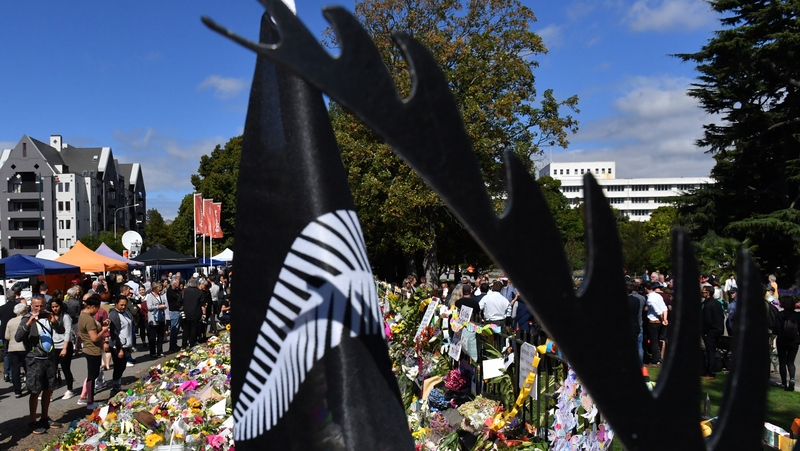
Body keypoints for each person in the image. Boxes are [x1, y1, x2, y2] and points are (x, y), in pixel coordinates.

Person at [15, 295, 64, 434]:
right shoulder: (26, 318)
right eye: (36, 306)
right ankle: (33, 421)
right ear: (31, 305)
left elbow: (61, 331)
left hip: (49, 358)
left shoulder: (47, 316)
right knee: (35, 391)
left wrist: (54, 322)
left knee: (49, 389)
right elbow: (18, 337)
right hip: (34, 359)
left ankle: (44, 418)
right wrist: (28, 323)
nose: (39, 308)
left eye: (41, 305)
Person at [77, 294, 109, 409]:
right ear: (92, 307)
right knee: (92, 375)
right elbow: (94, 338)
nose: (97, 311)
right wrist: (104, 330)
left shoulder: (84, 316)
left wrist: (102, 325)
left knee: (93, 374)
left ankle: (90, 400)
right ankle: (90, 401)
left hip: (90, 349)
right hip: (92, 350)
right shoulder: (88, 319)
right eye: (97, 309)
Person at [49, 298, 75, 400]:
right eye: (53, 307)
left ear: (60, 306)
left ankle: (70, 390)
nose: (55, 309)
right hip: (53, 346)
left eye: (56, 306)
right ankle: (49, 392)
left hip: (64, 345)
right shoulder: (50, 316)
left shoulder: (65, 316)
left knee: (65, 368)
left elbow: (68, 332)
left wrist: (64, 348)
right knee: (52, 370)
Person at [108, 295, 134, 397]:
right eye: (121, 305)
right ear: (116, 304)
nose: (123, 307)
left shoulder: (125, 312)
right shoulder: (114, 315)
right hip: (118, 346)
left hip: (126, 345)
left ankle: (117, 385)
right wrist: (119, 349)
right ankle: (115, 388)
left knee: (122, 366)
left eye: (125, 305)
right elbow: (114, 333)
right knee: (118, 367)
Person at [5, 302, 29, 398]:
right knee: (27, 368)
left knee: (15, 370)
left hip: (13, 348)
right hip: (24, 347)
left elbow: (7, 336)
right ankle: (30, 386)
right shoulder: (26, 320)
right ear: (23, 311)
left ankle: (17, 391)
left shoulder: (10, 321)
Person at [0, 286, 24, 381]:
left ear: (7, 297)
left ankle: (6, 372)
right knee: (17, 354)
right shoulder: (17, 308)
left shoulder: (2, 308)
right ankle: (13, 373)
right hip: (17, 331)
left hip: (5, 332)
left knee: (6, 353)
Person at [776, 295, 800, 391]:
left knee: (782, 361)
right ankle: (792, 378)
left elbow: (776, 329)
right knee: (791, 361)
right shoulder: (798, 315)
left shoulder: (780, 315)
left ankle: (783, 383)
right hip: (794, 340)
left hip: (782, 340)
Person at [701, 286, 724, 380]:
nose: (702, 293)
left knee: (710, 352)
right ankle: (708, 370)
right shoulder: (717, 303)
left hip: (710, 331)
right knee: (712, 351)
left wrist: (705, 332)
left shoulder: (707, 305)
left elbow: (707, 320)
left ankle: (711, 373)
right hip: (718, 329)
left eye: (703, 292)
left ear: (708, 293)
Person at [644, 281, 668, 366]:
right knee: (659, 340)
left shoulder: (650, 299)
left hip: (654, 322)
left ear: (645, 288)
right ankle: (659, 357)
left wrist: (662, 319)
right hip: (660, 321)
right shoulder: (658, 296)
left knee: (653, 341)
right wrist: (665, 319)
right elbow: (664, 308)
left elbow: (658, 312)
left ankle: (655, 360)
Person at [181, 277, 206, 349]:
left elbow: (180, 302)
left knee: (185, 329)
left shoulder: (184, 291)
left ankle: (183, 345)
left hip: (186, 313)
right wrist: (204, 314)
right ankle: (192, 344)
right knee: (194, 329)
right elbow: (202, 305)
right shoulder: (200, 292)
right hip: (195, 313)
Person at [146, 282, 167, 357]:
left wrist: (163, 306)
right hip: (153, 318)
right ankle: (152, 352)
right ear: (154, 288)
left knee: (160, 335)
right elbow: (149, 307)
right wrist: (158, 306)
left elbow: (164, 303)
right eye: (158, 287)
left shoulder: (161, 295)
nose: (160, 288)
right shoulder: (149, 296)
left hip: (161, 317)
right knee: (153, 336)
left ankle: (160, 351)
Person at [165, 276, 183, 352]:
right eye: (178, 283)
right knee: (174, 329)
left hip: (177, 311)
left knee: (176, 329)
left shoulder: (176, 290)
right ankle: (172, 345)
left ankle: (174, 344)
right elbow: (178, 298)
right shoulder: (170, 291)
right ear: (174, 283)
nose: (179, 284)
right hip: (174, 311)